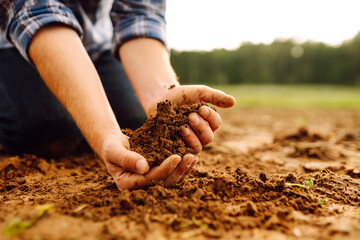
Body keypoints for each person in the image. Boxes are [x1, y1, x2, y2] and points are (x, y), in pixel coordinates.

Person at [0, 0, 235, 191]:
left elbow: (140, 14)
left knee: (137, 120)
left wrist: (162, 94)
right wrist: (102, 133)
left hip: (96, 45)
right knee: (51, 129)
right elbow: (34, 10)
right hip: (16, 43)